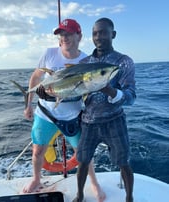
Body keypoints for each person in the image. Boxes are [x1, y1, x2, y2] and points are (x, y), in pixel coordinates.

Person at [23, 18, 105, 201]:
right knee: (37, 151)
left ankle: (94, 183)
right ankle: (36, 179)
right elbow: (36, 78)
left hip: (72, 116)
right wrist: (28, 104)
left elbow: (88, 90)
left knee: (84, 154)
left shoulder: (86, 60)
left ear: (79, 35)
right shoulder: (49, 54)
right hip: (45, 114)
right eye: (61, 34)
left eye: (68, 33)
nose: (64, 37)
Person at [73, 18, 136, 202]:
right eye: (94, 33)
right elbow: (76, 93)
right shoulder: (85, 62)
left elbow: (131, 97)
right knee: (82, 161)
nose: (98, 37)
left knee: (123, 162)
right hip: (88, 122)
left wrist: (108, 89)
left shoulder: (123, 62)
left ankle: (129, 197)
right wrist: (51, 94)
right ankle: (80, 195)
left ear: (113, 34)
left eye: (103, 32)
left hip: (114, 120)